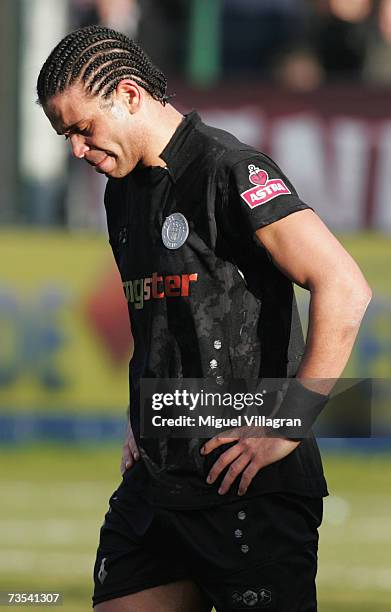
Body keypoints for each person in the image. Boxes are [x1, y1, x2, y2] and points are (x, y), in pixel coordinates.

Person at [37, 25, 372, 612]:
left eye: (82, 128)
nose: (76, 150)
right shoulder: (123, 192)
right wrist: (137, 414)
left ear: (129, 94)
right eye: (65, 135)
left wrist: (289, 423)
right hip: (158, 482)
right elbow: (162, 321)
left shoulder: (229, 170)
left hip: (246, 489)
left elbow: (344, 286)